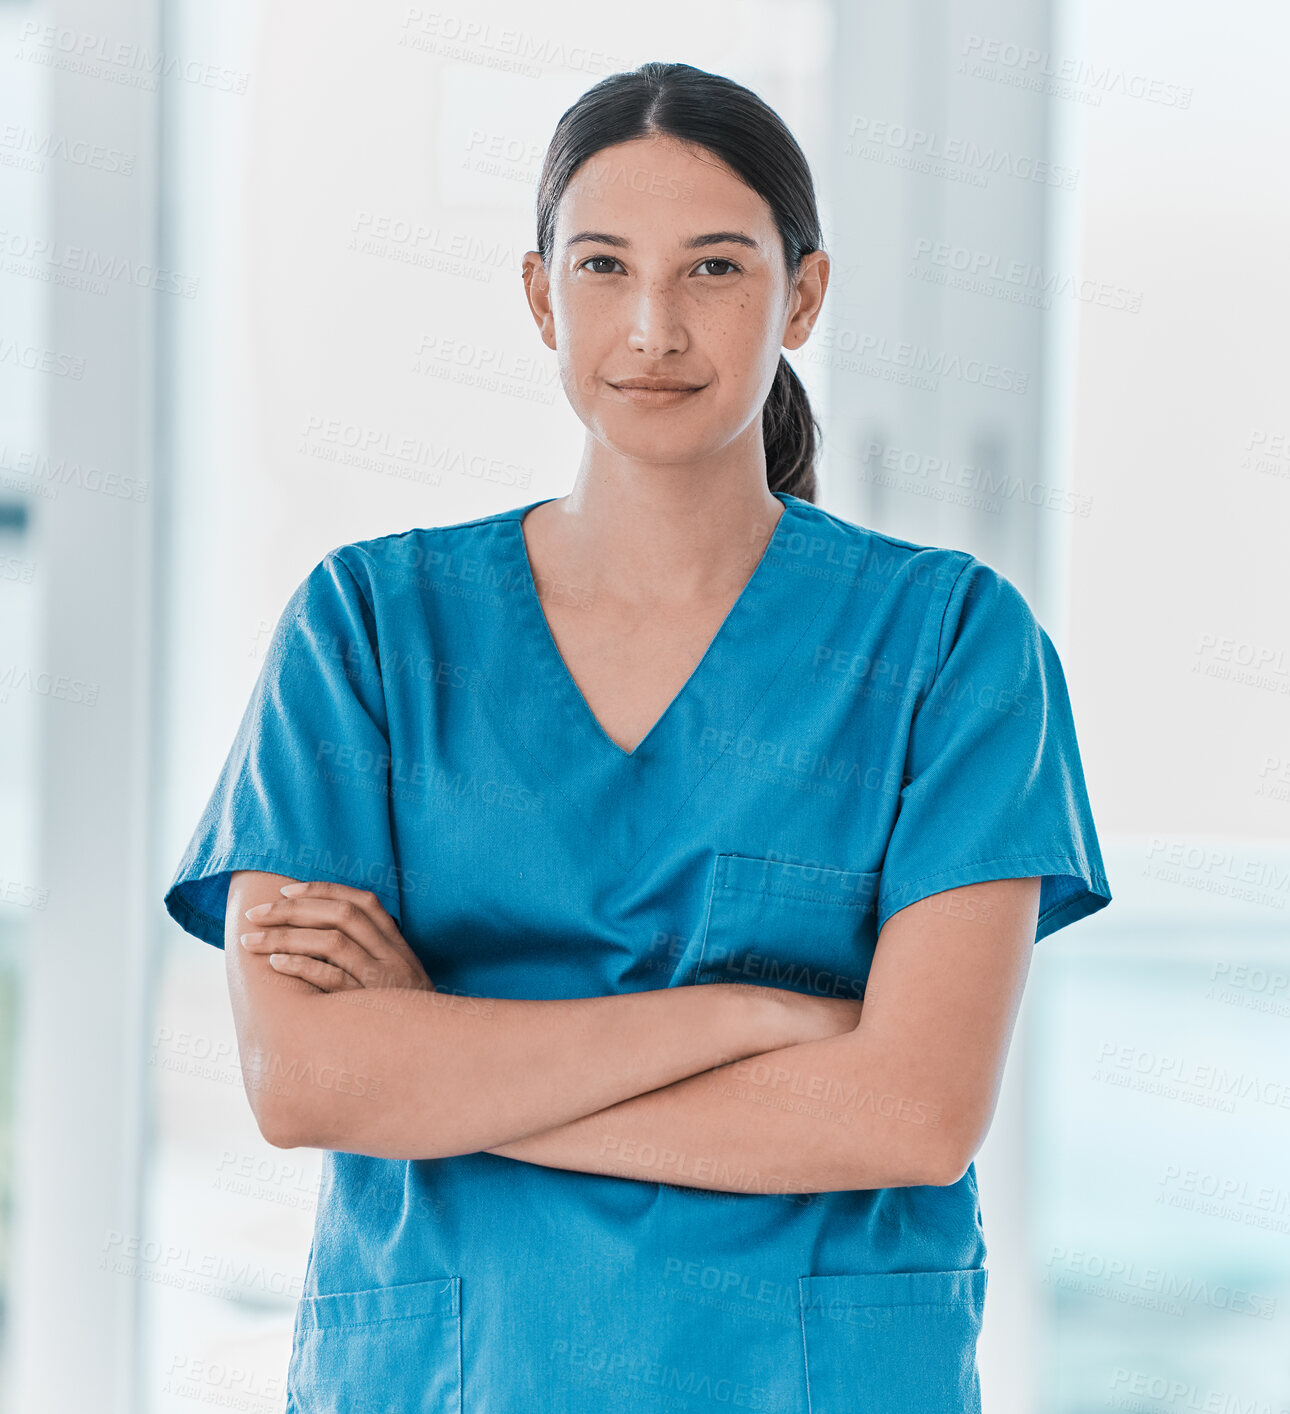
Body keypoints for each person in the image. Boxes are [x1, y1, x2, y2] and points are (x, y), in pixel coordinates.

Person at [163, 60, 1111, 1414]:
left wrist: (443, 1058)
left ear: (803, 292)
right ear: (543, 295)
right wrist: (739, 1019)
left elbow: (908, 1111)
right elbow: (307, 1076)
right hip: (453, 1374)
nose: (654, 325)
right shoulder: (367, 627)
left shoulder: (952, 647)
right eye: (603, 265)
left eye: (715, 269)